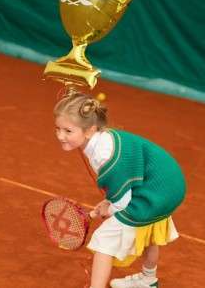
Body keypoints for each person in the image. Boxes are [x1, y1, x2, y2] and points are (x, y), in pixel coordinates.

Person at [54, 90, 186, 288]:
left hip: (157, 191)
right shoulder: (102, 139)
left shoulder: (104, 155)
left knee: (104, 239)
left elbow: (122, 202)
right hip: (167, 184)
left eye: (68, 131)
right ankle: (148, 280)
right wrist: (110, 201)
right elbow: (122, 184)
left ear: (89, 130)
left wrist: (111, 208)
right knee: (148, 230)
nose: (60, 136)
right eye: (58, 129)